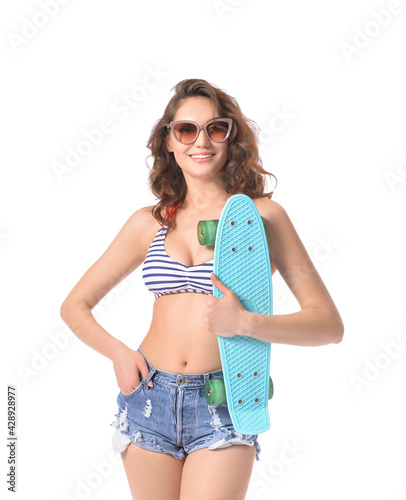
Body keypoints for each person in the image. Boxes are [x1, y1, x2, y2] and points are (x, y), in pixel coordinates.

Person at [60, 78, 344, 500]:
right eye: (186, 129)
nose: (201, 141)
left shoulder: (263, 217)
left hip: (225, 402)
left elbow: (328, 325)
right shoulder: (149, 222)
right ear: (169, 141)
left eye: (216, 128)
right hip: (149, 396)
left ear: (231, 138)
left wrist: (247, 323)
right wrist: (119, 354)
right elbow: (75, 306)